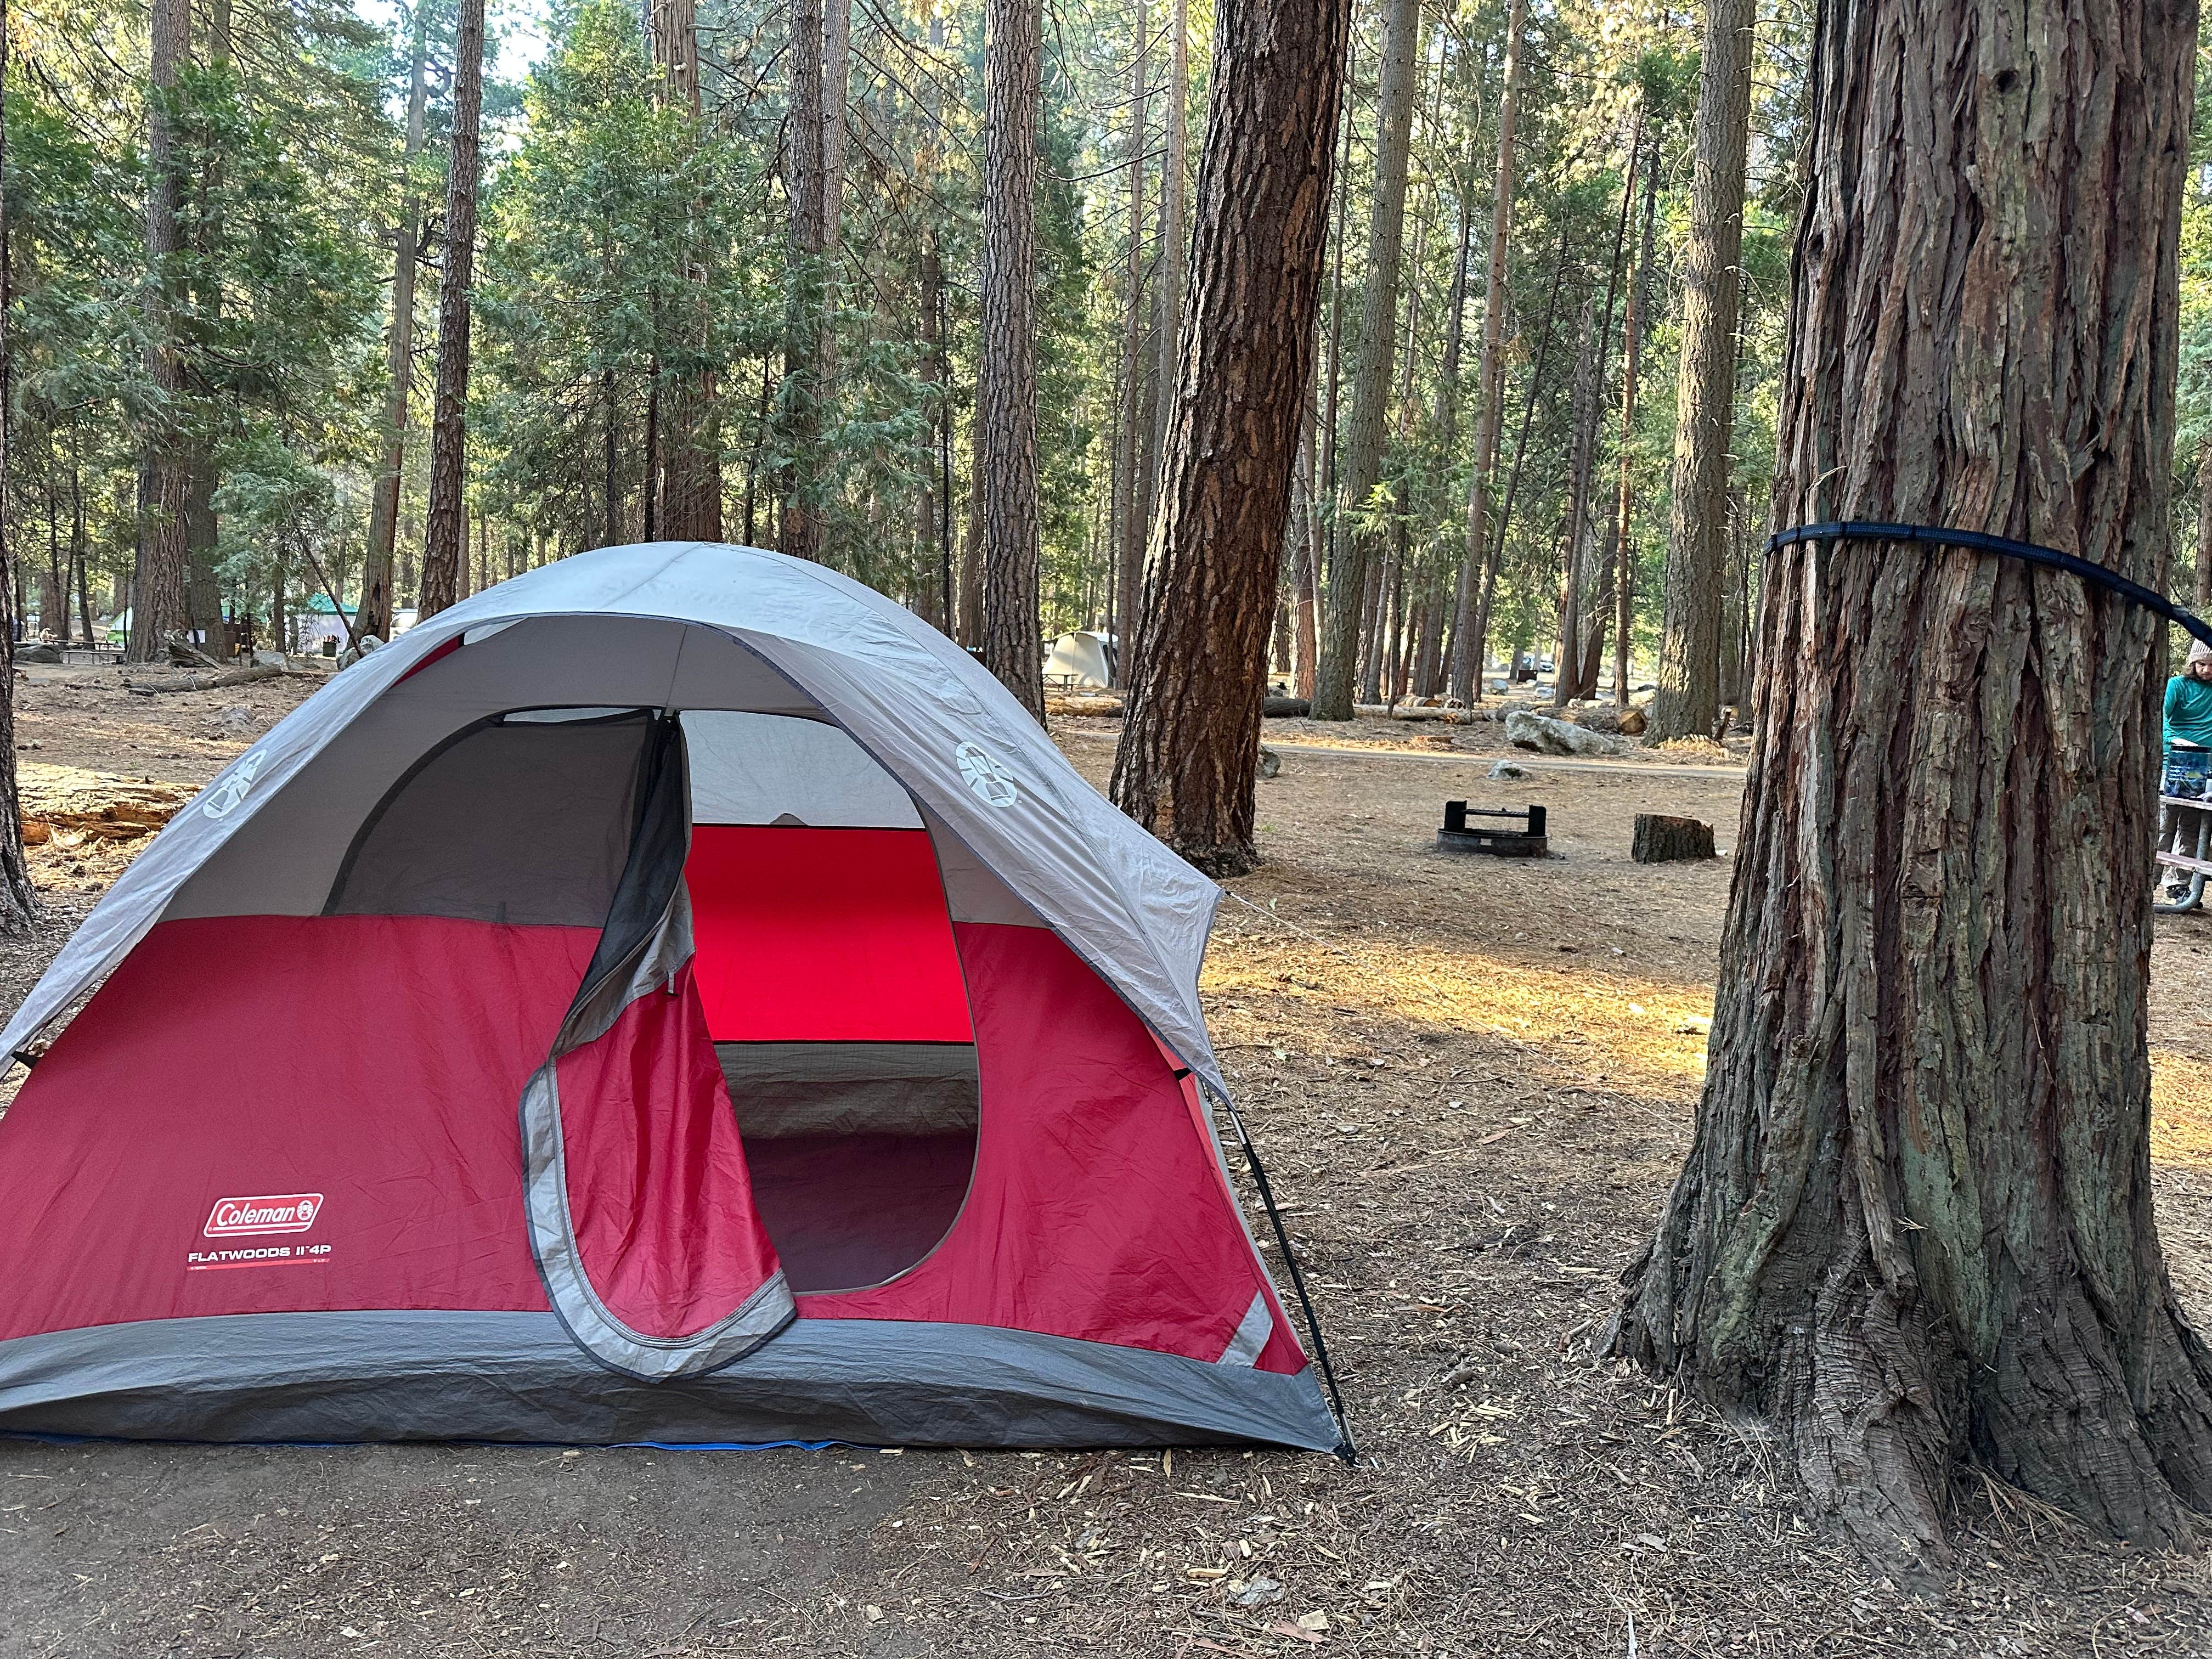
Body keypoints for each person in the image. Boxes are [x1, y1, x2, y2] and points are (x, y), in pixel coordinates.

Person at [2160, 640, 2212, 901]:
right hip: (2176, 762)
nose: (2207, 670)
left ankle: (2180, 884)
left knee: (2192, 826)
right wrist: (2173, 739)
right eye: (2202, 664)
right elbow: (2160, 717)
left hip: (2206, 768)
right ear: (2193, 663)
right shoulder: (2178, 685)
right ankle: (2149, 878)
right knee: (2166, 823)